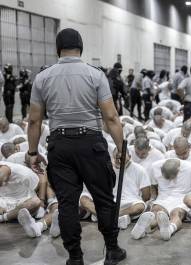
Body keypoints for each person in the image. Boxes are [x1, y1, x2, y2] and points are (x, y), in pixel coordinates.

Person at [26, 28, 126, 265]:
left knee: (67, 203)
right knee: (103, 199)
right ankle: (112, 249)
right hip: (91, 144)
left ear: (57, 48)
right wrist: (121, 147)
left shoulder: (42, 77)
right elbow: (111, 117)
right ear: (81, 47)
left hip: (59, 146)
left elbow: (34, 120)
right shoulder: (96, 75)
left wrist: (32, 152)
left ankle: (75, 256)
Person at [131, 159, 191, 241]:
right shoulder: (154, 167)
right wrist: (153, 199)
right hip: (163, 197)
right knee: (156, 212)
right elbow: (154, 186)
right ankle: (143, 228)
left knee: (176, 213)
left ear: (179, 171)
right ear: (161, 169)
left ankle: (169, 229)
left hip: (182, 199)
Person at [80, 150, 151, 229]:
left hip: (129, 203)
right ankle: (117, 218)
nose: (120, 161)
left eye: (122, 159)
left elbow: (146, 195)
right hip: (108, 203)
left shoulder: (139, 169)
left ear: (130, 157)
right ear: (113, 158)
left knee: (140, 206)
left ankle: (114, 217)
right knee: (83, 199)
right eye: (117, 159)